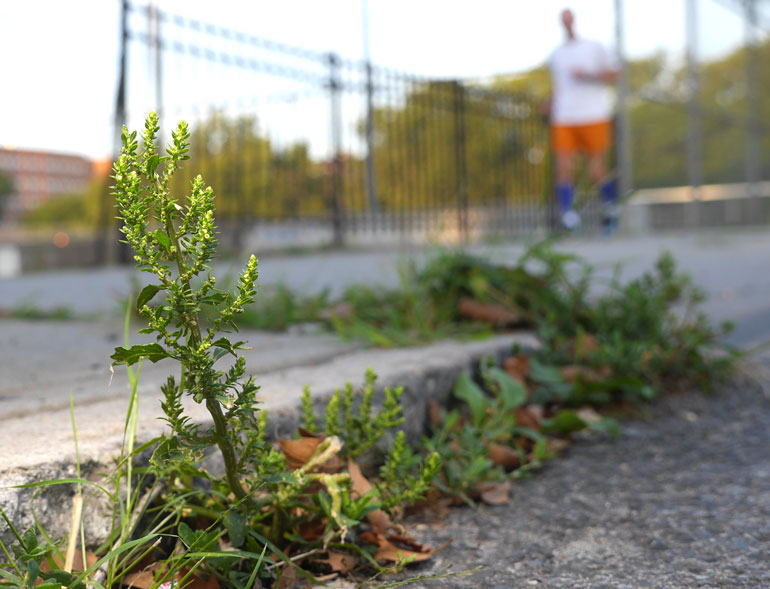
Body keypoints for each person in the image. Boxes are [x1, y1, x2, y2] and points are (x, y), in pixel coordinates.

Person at [547, 8, 620, 232]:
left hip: (593, 114)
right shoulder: (556, 55)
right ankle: (569, 218)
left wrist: (588, 75)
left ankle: (610, 210)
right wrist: (549, 101)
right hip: (563, 117)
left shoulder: (594, 47)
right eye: (563, 19)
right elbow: (559, 88)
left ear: (574, 20)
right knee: (563, 168)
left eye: (569, 18)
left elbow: (615, 74)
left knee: (596, 170)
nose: (566, 22)